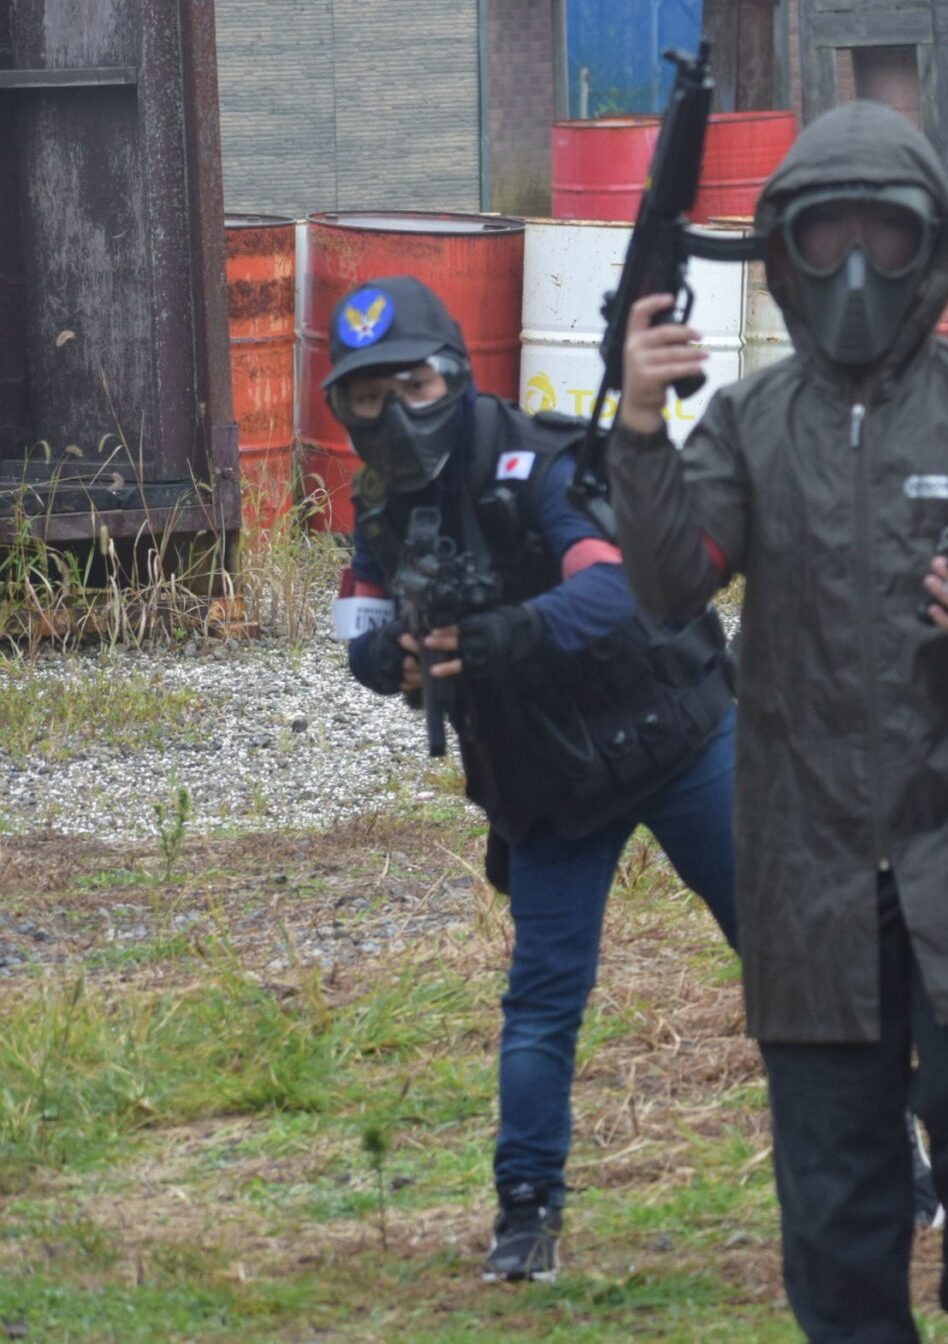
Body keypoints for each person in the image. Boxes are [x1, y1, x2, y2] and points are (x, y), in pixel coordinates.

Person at [607, 101, 948, 1344]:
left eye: (884, 238)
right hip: (810, 855)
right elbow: (670, 584)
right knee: (834, 1192)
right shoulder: (750, 422)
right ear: (784, 251)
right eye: (826, 238)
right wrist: (639, 425)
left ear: (931, 248)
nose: (854, 271)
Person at [324, 274, 740, 1284]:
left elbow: (621, 584)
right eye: (369, 396)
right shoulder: (379, 508)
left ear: (455, 375)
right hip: (549, 775)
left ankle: (891, 1154)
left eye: (413, 385)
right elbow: (360, 626)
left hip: (673, 735)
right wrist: (395, 659)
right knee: (543, 997)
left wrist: (509, 633)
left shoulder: (535, 457)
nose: (394, 412)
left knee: (788, 949)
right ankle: (525, 1213)